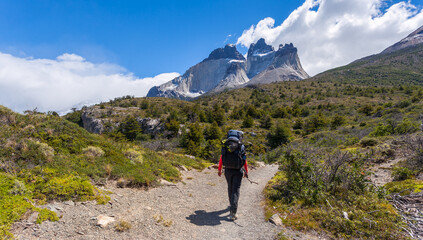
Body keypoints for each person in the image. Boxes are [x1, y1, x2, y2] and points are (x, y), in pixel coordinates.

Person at [218, 130, 248, 221]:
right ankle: (233, 213)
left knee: (230, 188)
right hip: (238, 170)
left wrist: (219, 169)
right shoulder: (240, 146)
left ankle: (232, 204)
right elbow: (244, 159)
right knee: (236, 189)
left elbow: (221, 158)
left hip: (227, 170)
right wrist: (246, 171)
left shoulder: (225, 145)